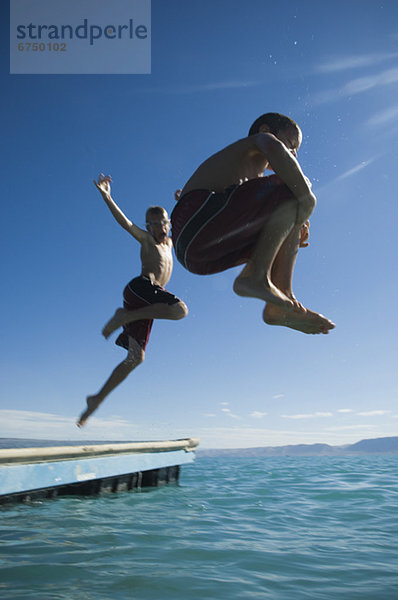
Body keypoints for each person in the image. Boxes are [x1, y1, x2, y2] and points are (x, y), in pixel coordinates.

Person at [171, 112, 335, 335]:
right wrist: (308, 198)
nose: (295, 153)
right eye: (291, 144)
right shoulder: (257, 143)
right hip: (195, 220)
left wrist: (290, 232)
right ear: (266, 131)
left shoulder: (250, 183)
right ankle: (256, 277)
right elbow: (273, 149)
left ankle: (280, 300)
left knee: (289, 210)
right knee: (295, 188)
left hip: (198, 255)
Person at [77, 175, 188, 427]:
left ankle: (95, 400)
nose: (162, 228)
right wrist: (107, 197)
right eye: (156, 225)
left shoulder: (170, 241)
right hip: (140, 289)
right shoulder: (147, 240)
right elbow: (125, 223)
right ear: (148, 227)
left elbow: (187, 222)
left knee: (135, 358)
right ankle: (123, 317)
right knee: (180, 310)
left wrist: (183, 200)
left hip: (149, 303)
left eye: (165, 223)